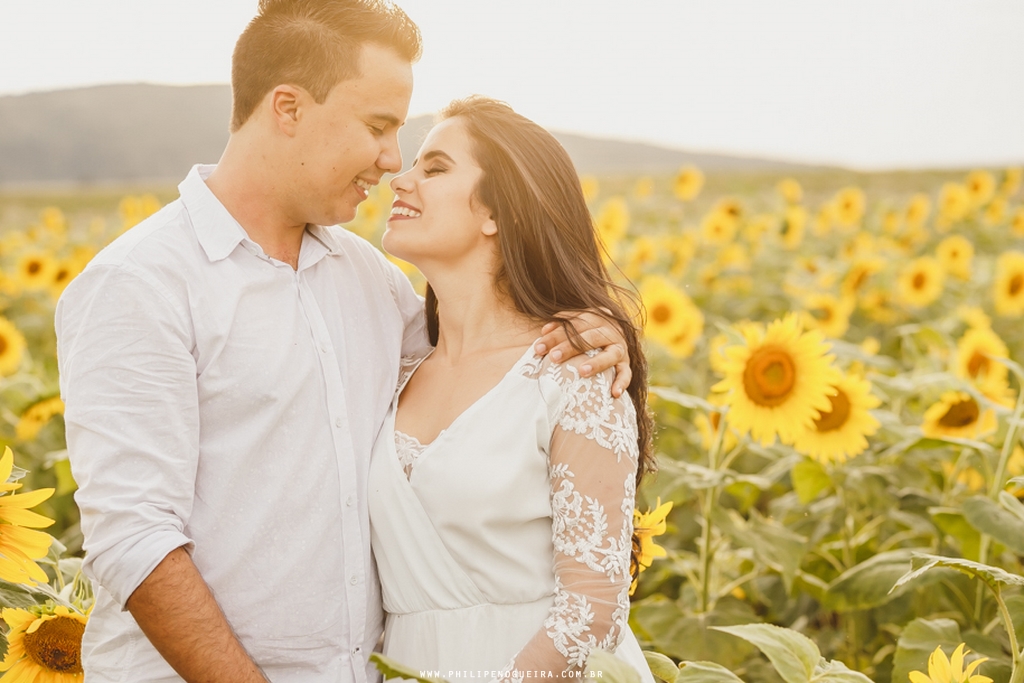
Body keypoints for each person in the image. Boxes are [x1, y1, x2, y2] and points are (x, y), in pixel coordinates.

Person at [55, 2, 630, 682]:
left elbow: (496, 365)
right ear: (289, 109)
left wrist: (591, 325)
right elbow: (135, 539)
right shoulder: (141, 283)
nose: (392, 163)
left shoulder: (370, 283)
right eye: (379, 127)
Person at [367, 96, 656, 682]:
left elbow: (591, 615)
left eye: (436, 167)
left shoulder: (575, 372)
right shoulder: (393, 367)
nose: (400, 179)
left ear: (497, 211)